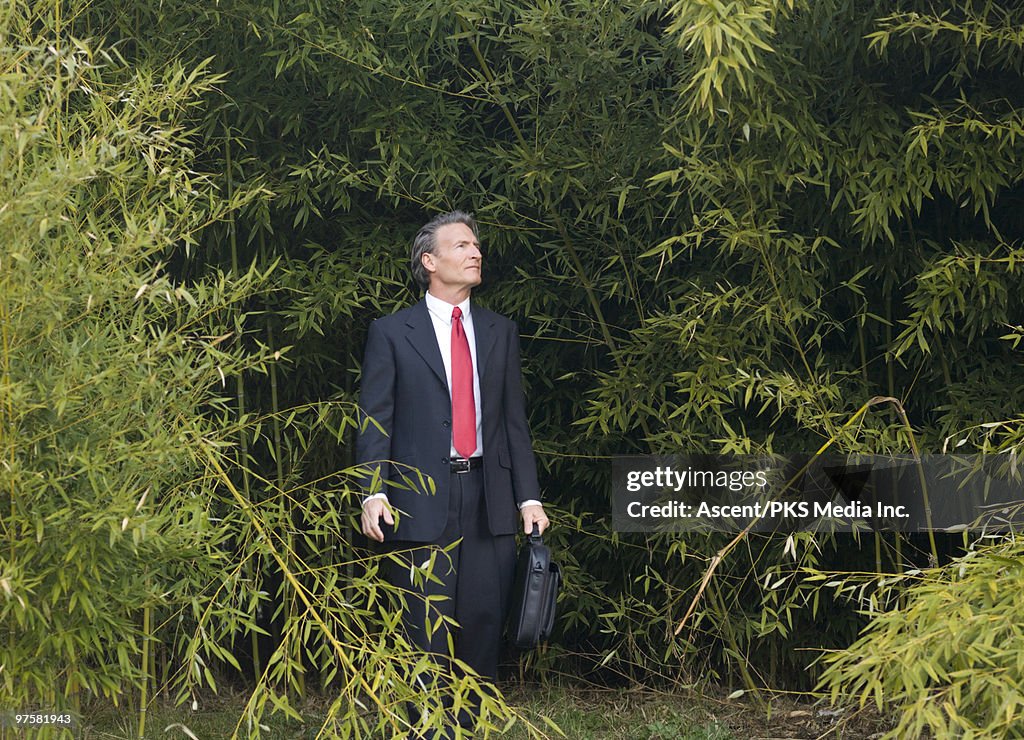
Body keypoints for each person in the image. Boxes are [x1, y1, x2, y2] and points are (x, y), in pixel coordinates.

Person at [356, 210, 549, 729]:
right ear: (430, 261)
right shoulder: (392, 332)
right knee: (422, 628)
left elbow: (513, 421)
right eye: (462, 245)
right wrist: (372, 491)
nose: (475, 252)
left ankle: (472, 726)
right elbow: (376, 418)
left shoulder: (499, 330)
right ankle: (422, 727)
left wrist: (527, 497)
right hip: (417, 501)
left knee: (484, 623)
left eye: (476, 245)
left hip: (489, 496)